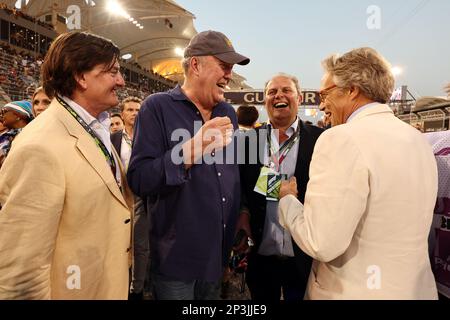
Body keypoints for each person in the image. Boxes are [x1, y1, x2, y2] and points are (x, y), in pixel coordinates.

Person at [278, 47, 438, 299]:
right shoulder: (418, 140)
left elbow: (320, 242)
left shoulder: (340, 139)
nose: (321, 105)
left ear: (352, 90)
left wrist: (286, 200)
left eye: (325, 94)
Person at [0, 31, 133, 299]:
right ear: (80, 77)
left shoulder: (94, 126)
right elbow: (21, 272)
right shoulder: (39, 145)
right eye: (112, 72)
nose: (121, 81)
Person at [127, 30, 250, 300]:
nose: (229, 74)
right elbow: (139, 179)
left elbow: (232, 172)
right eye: (224, 66)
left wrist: (241, 212)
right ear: (195, 65)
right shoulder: (156, 107)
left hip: (217, 255)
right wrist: (191, 149)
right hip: (176, 260)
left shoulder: (227, 112)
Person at [236, 73, 323, 301]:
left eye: (286, 90)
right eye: (272, 92)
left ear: (299, 98)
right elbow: (244, 187)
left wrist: (284, 191)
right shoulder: (249, 141)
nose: (279, 95)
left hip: (303, 253)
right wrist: (277, 191)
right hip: (262, 253)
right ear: (265, 101)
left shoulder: (321, 139)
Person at [0, 100, 33, 167]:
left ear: (18, 116)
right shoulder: (4, 136)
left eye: (4, 111)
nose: (1, 115)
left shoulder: (29, 136)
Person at [111, 96, 141, 169]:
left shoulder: (151, 136)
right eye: (130, 110)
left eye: (138, 110)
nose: (135, 113)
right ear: (122, 115)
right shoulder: (112, 138)